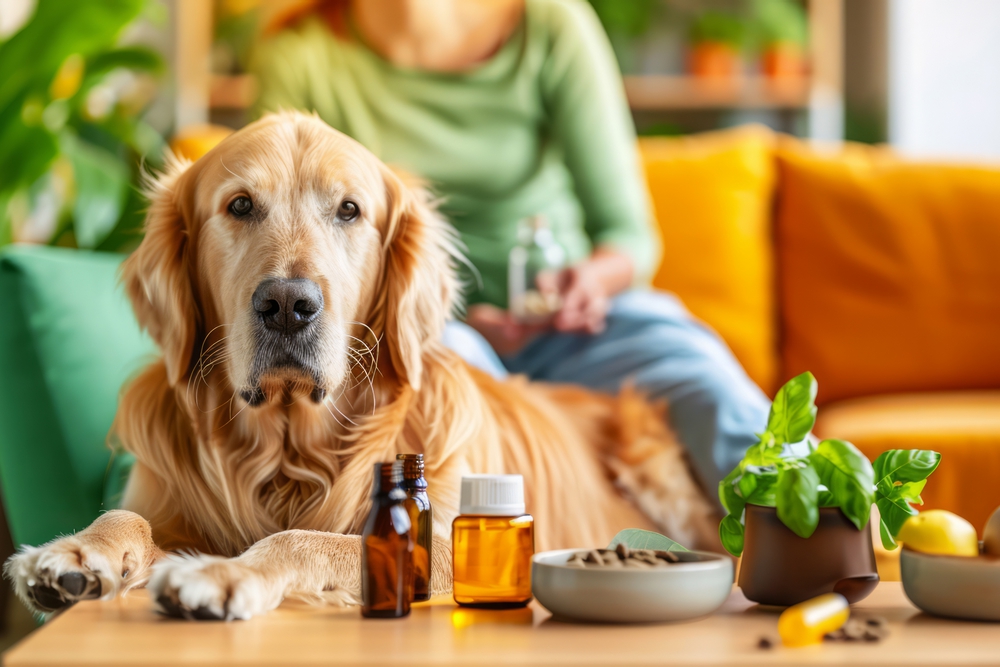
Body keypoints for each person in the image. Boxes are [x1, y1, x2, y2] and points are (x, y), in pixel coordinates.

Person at [253, 0, 770, 495]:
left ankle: (824, 534)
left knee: (708, 385)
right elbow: (275, 221)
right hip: (428, 333)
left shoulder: (550, 26)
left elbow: (628, 234)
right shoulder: (301, 54)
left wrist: (588, 282)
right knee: (436, 390)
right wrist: (442, 322)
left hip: (576, 325)